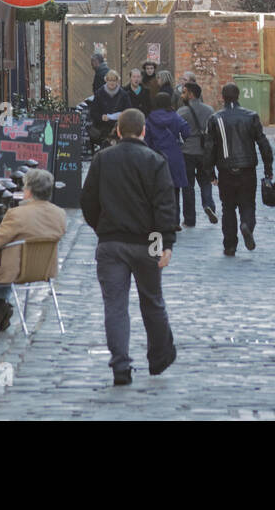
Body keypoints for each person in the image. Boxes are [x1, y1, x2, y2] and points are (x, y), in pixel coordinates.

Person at [81, 108, 177, 386]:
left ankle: (120, 365)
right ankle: (159, 358)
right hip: (147, 242)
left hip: (111, 242)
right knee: (152, 300)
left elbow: (88, 200)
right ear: (144, 131)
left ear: (119, 131)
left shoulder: (102, 159)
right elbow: (164, 206)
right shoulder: (155, 161)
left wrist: (102, 228)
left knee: (115, 306)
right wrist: (165, 244)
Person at [0, 168, 67, 331]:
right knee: (3, 261)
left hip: (17, 269)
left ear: (29, 191)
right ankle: (1, 305)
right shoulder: (59, 214)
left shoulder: (18, 214)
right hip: (43, 269)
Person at [205, 82, 273, 256]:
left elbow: (209, 148)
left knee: (227, 207)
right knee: (248, 204)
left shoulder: (216, 119)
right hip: (247, 168)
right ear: (238, 96)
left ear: (223, 97)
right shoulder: (250, 117)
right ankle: (246, 225)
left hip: (226, 169)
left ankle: (229, 245)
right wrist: (268, 168)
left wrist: (210, 172)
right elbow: (263, 143)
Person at [145, 92, 191, 226]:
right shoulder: (175, 116)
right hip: (174, 156)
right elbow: (187, 131)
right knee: (175, 190)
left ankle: (160, 220)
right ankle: (175, 221)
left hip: (156, 156)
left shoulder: (149, 119)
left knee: (157, 191)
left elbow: (146, 139)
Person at [177, 82, 217, 225]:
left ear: (191, 94)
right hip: (204, 151)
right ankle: (208, 205)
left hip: (187, 151)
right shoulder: (209, 110)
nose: (182, 95)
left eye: (184, 92)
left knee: (188, 186)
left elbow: (177, 132)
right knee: (205, 181)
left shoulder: (182, 112)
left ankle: (189, 219)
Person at [90, 69, 131, 148]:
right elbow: (93, 112)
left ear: (117, 81)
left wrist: (122, 117)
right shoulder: (99, 93)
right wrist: (101, 117)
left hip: (119, 130)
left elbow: (129, 111)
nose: (112, 83)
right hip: (102, 130)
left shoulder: (124, 95)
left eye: (114, 80)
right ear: (106, 80)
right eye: (110, 80)